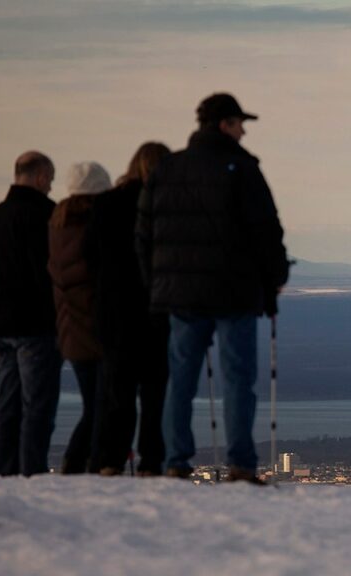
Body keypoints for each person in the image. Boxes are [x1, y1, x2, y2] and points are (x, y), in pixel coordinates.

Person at [137, 93, 290, 483]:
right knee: (237, 379)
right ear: (224, 124)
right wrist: (274, 279)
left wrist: (157, 285)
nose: (243, 132)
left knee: (181, 379)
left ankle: (175, 462)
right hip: (233, 292)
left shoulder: (167, 168)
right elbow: (265, 230)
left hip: (180, 296)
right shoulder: (240, 167)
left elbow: (144, 234)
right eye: (240, 124)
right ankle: (240, 464)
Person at [0, 151, 63, 476]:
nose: (51, 186)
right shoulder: (48, 217)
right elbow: (53, 275)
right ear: (40, 177)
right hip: (37, 325)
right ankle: (32, 474)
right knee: (37, 405)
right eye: (51, 180)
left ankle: (4, 473)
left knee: (7, 405)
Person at [90, 142, 171, 476]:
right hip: (156, 312)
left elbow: (89, 255)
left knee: (117, 393)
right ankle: (151, 462)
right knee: (154, 394)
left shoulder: (107, 204)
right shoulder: (165, 206)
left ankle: (112, 459)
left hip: (115, 314)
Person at [48, 161, 111, 474]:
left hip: (70, 330)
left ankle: (79, 463)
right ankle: (82, 463)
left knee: (94, 404)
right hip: (97, 329)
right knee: (101, 406)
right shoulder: (97, 227)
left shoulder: (57, 225)